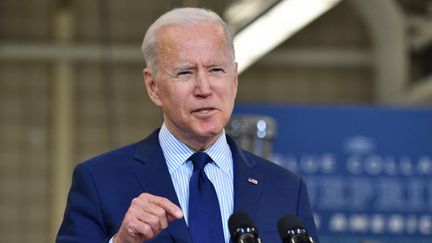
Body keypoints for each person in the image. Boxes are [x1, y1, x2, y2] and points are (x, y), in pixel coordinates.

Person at [56, 7, 319, 243]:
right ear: (153, 87)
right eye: (185, 72)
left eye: (216, 70)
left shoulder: (286, 188)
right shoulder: (100, 180)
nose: (204, 89)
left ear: (234, 80)